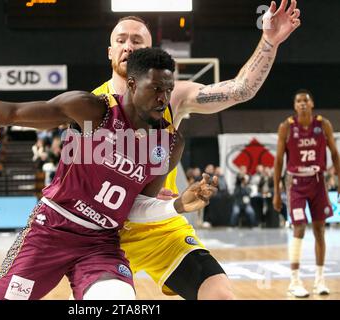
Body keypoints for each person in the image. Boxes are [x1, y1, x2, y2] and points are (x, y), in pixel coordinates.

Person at [0, 48, 218, 300]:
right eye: (155, 89)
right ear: (131, 84)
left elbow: (135, 209)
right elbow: (14, 112)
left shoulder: (169, 143)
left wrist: (177, 205)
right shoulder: (93, 110)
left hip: (101, 243)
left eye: (167, 90)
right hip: (50, 228)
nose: (163, 99)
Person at [91, 0, 300, 299]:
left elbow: (241, 90)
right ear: (110, 51)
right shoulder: (91, 105)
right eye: (120, 40)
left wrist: (269, 41)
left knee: (220, 295)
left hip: (161, 227)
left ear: (151, 53)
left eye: (137, 41)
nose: (128, 46)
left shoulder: (172, 97)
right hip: (106, 233)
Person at [273, 89, 340, 298]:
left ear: (312, 104)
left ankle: (319, 280)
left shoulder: (323, 125)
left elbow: (335, 154)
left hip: (318, 181)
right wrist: (276, 191)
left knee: (320, 230)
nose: (302, 103)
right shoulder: (286, 126)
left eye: (306, 100)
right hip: (296, 183)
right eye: (298, 101)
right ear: (295, 106)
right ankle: (294, 281)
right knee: (299, 229)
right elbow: (278, 162)